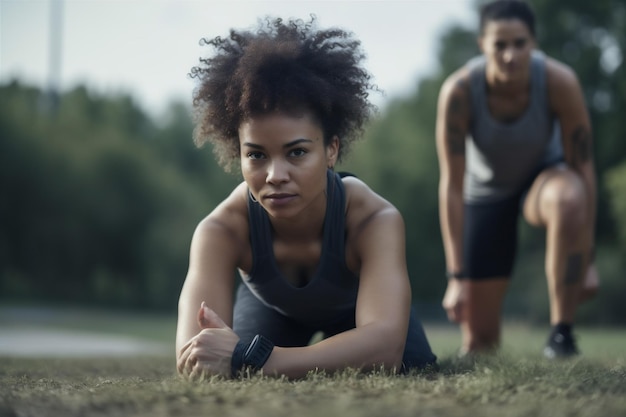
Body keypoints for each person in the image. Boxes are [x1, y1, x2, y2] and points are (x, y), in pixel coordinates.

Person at [176, 16, 437, 380]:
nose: (275, 175)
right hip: (272, 313)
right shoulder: (221, 230)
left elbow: (383, 350)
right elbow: (194, 355)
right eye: (256, 155)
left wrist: (258, 360)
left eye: (296, 153)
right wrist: (229, 353)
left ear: (331, 150)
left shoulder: (373, 219)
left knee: (412, 365)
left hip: (361, 315)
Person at [436, 0, 598, 358]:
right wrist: (457, 278)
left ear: (534, 43)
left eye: (520, 43)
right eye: (500, 45)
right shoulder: (459, 93)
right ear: (482, 45)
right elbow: (451, 185)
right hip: (485, 194)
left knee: (569, 197)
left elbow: (583, 169)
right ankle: (481, 333)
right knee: (480, 346)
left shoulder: (559, 82)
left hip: (545, 179)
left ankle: (562, 335)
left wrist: (588, 256)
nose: (510, 55)